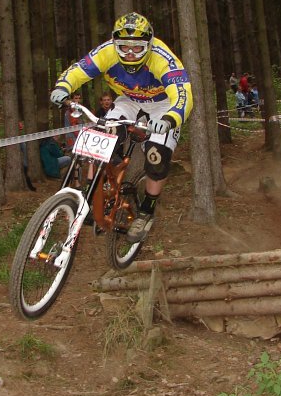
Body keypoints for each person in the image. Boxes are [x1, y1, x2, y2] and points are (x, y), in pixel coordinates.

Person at [49, 12, 193, 242]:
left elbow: (183, 95)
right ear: (115, 44)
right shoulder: (107, 51)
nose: (130, 53)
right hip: (129, 101)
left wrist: (170, 118)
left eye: (137, 48)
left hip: (163, 105)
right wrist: (63, 86)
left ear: (149, 45)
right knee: (101, 137)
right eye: (124, 47)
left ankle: (146, 212)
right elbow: (79, 70)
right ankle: (95, 191)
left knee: (157, 156)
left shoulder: (162, 57)